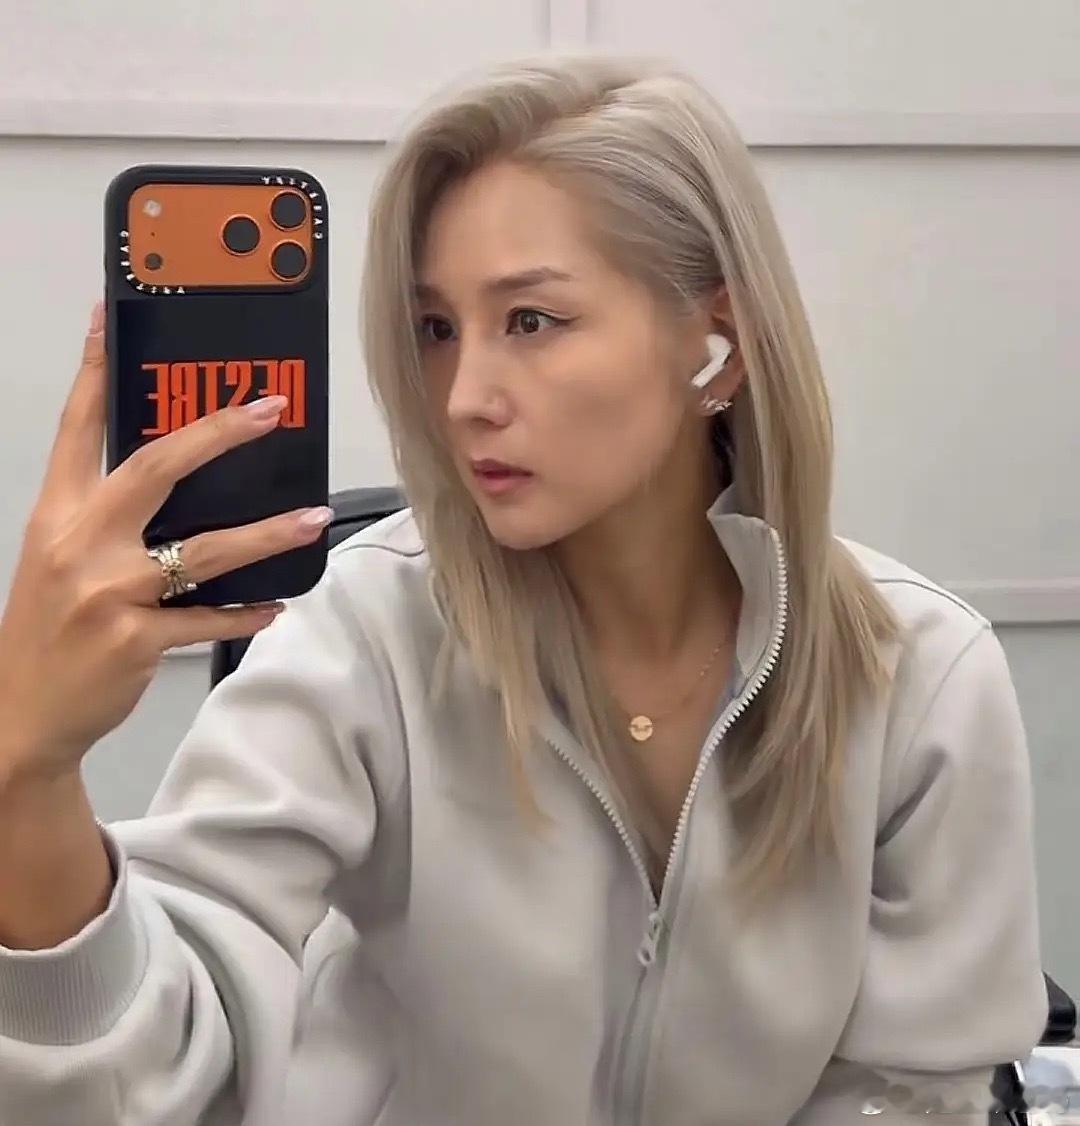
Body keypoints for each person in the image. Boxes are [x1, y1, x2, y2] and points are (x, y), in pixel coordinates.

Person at [0, 51, 1048, 1125]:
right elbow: (150, 1079)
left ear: (718, 347)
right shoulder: (364, 633)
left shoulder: (921, 676)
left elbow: (911, 1092)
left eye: (531, 321)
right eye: (436, 329)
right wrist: (25, 775)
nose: (463, 396)